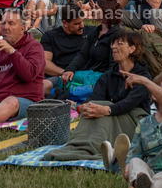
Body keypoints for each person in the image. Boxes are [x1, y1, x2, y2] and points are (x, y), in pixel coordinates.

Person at [44, 30, 151, 163]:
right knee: (94, 107)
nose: (113, 47)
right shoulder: (107, 76)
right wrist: (84, 108)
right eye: (113, 44)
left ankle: (90, 148)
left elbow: (130, 103)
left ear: (132, 49)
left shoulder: (143, 77)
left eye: (119, 44)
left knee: (103, 107)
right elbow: (94, 99)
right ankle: (77, 146)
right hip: (115, 115)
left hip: (137, 122)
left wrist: (107, 110)